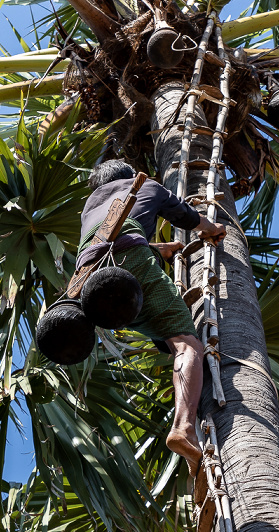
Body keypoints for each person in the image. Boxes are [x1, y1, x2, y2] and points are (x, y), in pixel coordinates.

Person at [77, 160, 226, 476]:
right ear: (129, 175)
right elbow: (184, 216)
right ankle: (184, 428)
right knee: (188, 346)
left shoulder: (90, 205)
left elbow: (108, 243)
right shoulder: (145, 184)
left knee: (166, 339)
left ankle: (193, 447)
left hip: (92, 285)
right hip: (131, 267)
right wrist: (212, 229)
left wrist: (161, 249)